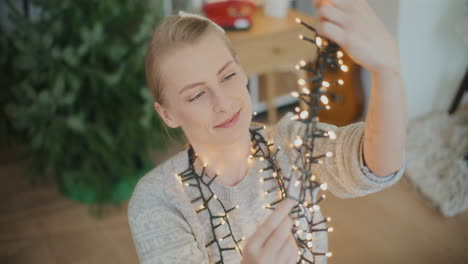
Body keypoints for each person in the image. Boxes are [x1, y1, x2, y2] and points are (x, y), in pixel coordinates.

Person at [128, 0, 408, 263]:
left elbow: (375, 168)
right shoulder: (158, 201)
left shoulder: (291, 143)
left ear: (242, 69)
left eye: (228, 76)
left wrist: (387, 70)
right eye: (197, 95)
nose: (223, 103)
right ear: (168, 114)